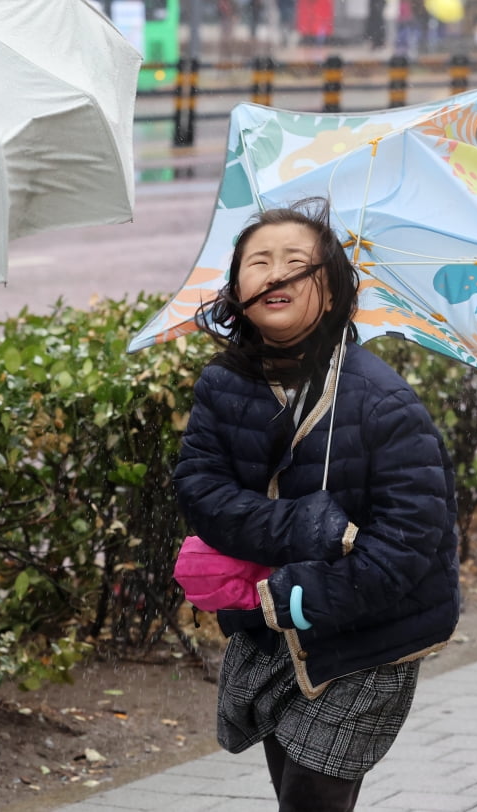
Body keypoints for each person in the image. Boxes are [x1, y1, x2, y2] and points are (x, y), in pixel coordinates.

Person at [173, 198, 460, 811]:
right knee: (291, 788)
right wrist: (301, 526)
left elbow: (414, 539)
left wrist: (313, 593)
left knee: (312, 797)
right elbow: (202, 492)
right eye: (259, 262)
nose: (275, 275)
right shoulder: (222, 386)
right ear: (236, 285)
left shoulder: (383, 401)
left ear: (329, 292)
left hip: (372, 633)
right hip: (276, 625)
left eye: (297, 264)